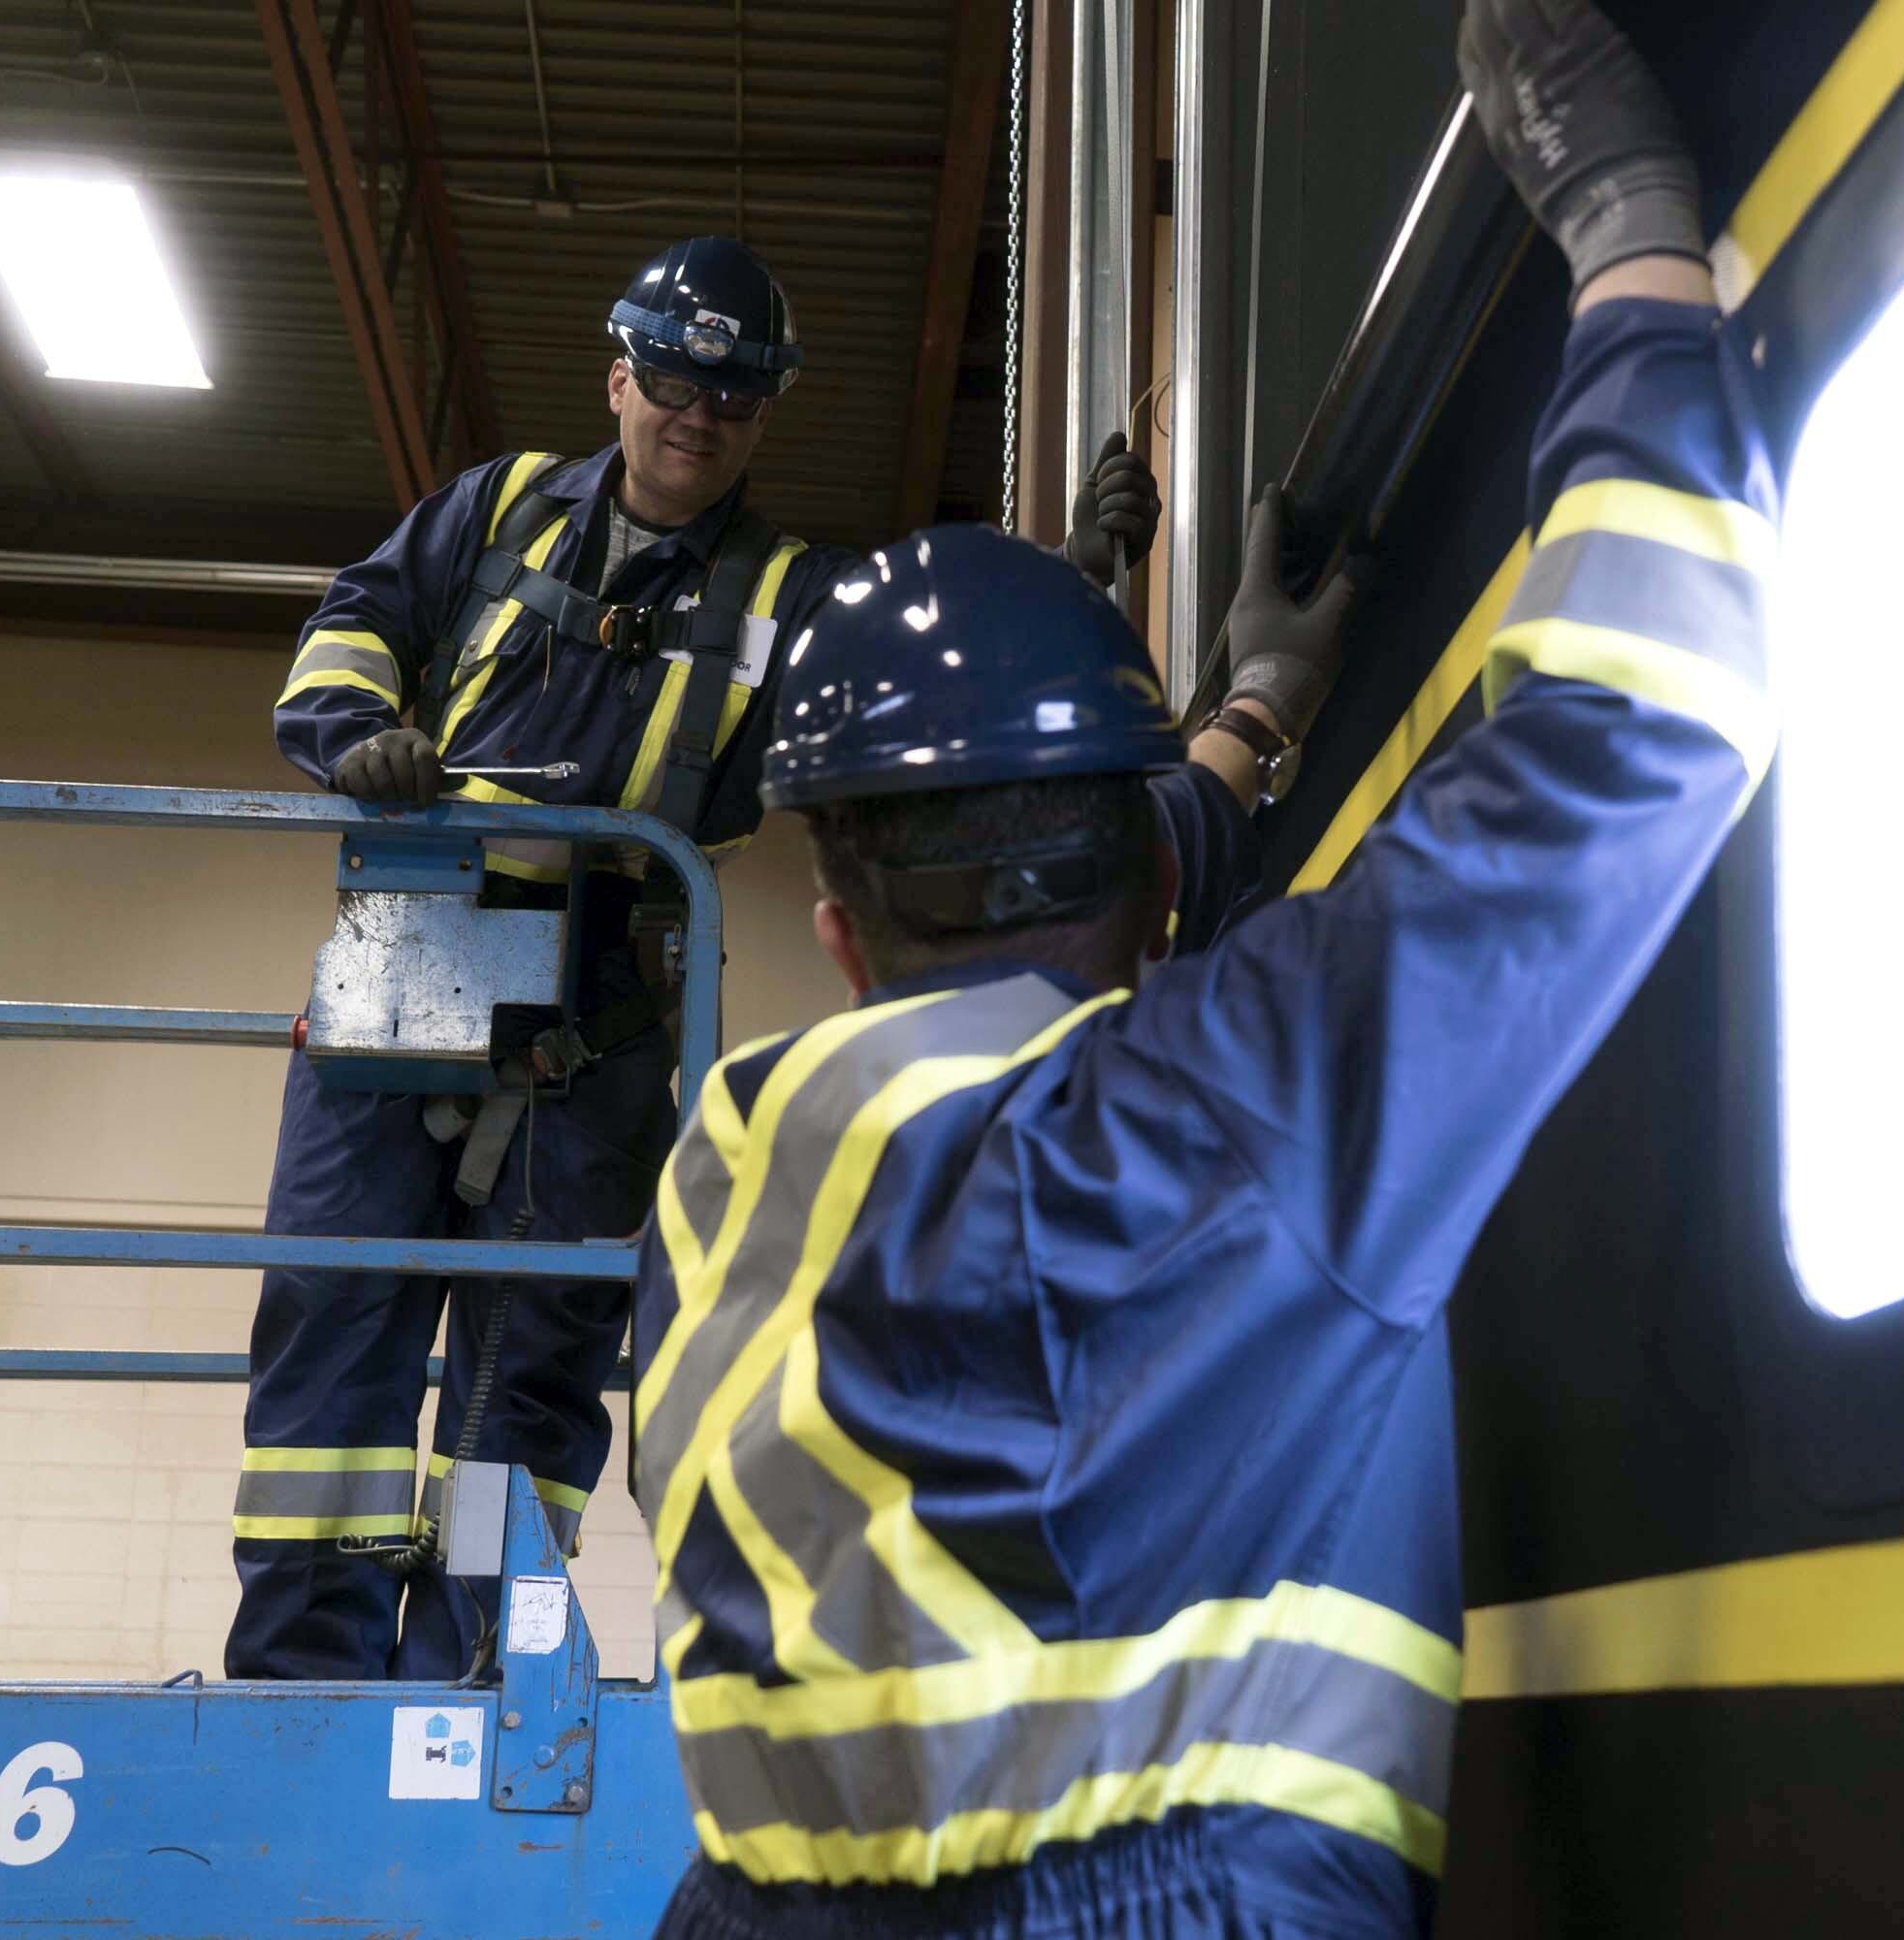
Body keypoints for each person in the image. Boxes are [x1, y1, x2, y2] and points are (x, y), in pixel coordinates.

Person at [629, 1, 1778, 1929]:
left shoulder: (718, 1193)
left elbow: (1055, 929)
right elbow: (1639, 725)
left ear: (835, 929)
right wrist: (1638, 232)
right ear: (1154, 895)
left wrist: (1250, 713)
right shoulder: (1202, 1117)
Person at [228, 234, 1167, 1682]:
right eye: (672, 377)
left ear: (762, 414)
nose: (697, 411)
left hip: (603, 999)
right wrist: (356, 737)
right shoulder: (499, 511)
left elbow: (920, 663)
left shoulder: (791, 592)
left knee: (530, 1367)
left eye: (732, 393)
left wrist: (1070, 580)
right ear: (619, 377)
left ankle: (458, 1675)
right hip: (415, 942)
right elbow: (356, 619)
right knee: (336, 1311)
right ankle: (301, 1677)